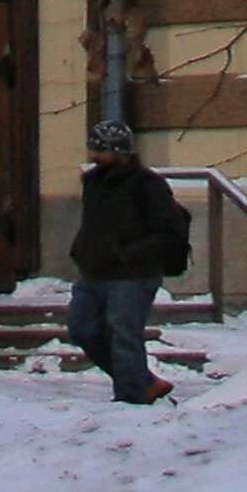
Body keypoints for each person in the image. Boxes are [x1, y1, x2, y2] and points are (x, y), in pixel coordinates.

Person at [67, 134, 191, 403]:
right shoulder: (92, 181)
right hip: (95, 272)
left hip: (134, 274)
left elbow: (170, 232)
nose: (93, 156)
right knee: (80, 327)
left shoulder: (149, 185)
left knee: (123, 334)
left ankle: (131, 401)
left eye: (100, 150)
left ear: (119, 151)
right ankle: (143, 383)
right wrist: (81, 251)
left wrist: (127, 255)